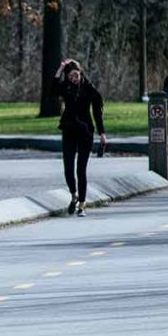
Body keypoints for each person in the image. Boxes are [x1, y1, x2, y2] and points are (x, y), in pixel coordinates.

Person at [54, 58, 106, 218]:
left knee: (80, 169)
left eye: (76, 75)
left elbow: (97, 112)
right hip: (69, 130)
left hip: (85, 131)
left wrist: (102, 133)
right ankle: (74, 195)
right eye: (70, 77)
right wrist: (60, 68)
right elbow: (52, 90)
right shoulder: (66, 88)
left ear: (81, 73)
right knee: (68, 168)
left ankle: (82, 204)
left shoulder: (89, 89)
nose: (74, 79)